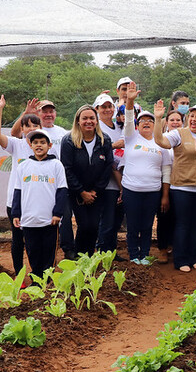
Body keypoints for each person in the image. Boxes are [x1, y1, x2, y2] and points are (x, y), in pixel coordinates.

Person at [153, 100, 196, 272]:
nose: (194, 119)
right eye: (192, 116)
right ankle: (181, 260)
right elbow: (160, 141)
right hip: (181, 187)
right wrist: (158, 119)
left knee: (195, 224)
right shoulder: (179, 133)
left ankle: (195, 257)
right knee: (183, 224)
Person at [120, 82, 169, 264]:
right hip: (132, 190)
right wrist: (129, 102)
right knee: (132, 226)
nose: (146, 123)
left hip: (152, 191)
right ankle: (134, 255)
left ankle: (145, 254)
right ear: (137, 125)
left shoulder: (161, 142)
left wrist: (164, 195)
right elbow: (128, 118)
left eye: (150, 121)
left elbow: (166, 170)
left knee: (148, 225)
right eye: (143, 121)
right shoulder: (131, 138)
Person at [11, 129, 68, 278]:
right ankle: (36, 277)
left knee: (49, 249)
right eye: (35, 142)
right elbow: (17, 191)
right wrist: (16, 213)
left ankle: (47, 279)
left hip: (49, 219)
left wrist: (57, 213)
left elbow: (62, 190)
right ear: (30, 145)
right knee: (32, 249)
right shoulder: (23, 166)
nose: (39, 145)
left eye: (42, 142)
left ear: (49, 145)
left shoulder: (56, 165)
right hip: (29, 218)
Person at [0, 96, 46, 275]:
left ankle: (39, 274)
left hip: (38, 203)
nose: (32, 128)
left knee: (37, 240)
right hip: (16, 203)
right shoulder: (16, 145)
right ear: (23, 128)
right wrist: (2, 108)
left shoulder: (46, 148)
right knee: (18, 239)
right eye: (28, 125)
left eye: (36, 125)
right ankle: (19, 275)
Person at [61, 105, 114, 256]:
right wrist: (81, 192)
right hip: (76, 193)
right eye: (85, 118)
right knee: (84, 225)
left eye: (92, 118)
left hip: (97, 193)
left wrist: (95, 191)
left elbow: (108, 167)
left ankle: (89, 258)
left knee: (94, 226)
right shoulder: (69, 141)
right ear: (78, 121)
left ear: (97, 121)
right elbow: (67, 169)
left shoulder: (105, 140)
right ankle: (79, 257)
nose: (88, 121)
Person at [93, 94, 125, 259]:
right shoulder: (97, 128)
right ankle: (103, 252)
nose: (107, 110)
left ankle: (111, 251)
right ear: (97, 109)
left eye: (109, 106)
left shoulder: (118, 126)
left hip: (122, 180)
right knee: (107, 219)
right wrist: (113, 145)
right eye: (103, 107)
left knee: (116, 221)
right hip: (107, 183)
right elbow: (98, 151)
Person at [156, 110, 183, 264]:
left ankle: (174, 245)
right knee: (164, 216)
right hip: (164, 184)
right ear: (166, 122)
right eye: (172, 119)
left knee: (178, 217)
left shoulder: (186, 137)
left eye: (178, 120)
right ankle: (162, 249)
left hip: (182, 185)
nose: (175, 122)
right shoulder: (163, 140)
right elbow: (165, 168)